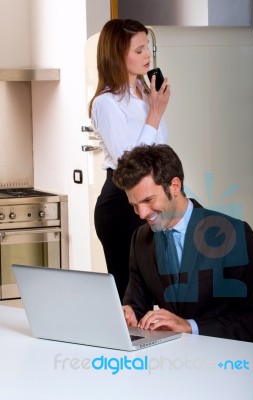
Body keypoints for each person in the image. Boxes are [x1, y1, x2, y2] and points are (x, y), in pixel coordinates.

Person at [113, 143, 253, 343]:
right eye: (135, 205)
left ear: (174, 186)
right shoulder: (141, 240)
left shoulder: (234, 234)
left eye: (149, 200)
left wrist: (189, 327)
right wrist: (129, 315)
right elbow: (137, 306)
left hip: (228, 358)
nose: (142, 214)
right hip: (173, 358)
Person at [89, 19, 170, 301]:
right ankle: (125, 345)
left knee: (159, 286)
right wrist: (156, 114)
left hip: (152, 199)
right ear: (117, 55)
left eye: (146, 46)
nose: (147, 54)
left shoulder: (148, 95)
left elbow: (159, 150)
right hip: (121, 202)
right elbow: (129, 164)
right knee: (130, 294)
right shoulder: (106, 103)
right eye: (138, 50)